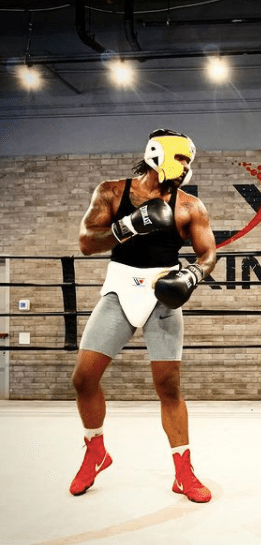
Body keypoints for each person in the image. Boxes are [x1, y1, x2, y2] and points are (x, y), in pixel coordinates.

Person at [70, 129, 217, 503]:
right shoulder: (112, 192)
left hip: (162, 292)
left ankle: (184, 473)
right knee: (83, 378)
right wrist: (128, 225)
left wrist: (193, 274)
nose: (186, 167)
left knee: (168, 386)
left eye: (189, 161)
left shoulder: (189, 206)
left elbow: (208, 254)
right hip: (119, 289)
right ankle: (95, 451)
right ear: (157, 153)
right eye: (181, 158)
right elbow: (87, 241)